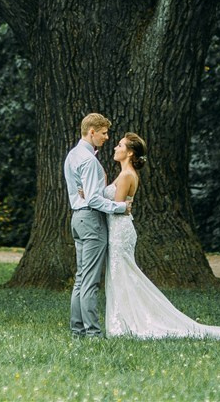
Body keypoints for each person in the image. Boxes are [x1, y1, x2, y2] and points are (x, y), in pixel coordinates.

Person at [101, 132, 220, 341]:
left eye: (120, 145)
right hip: (118, 230)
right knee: (119, 274)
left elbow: (118, 207)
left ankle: (125, 321)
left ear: (129, 152)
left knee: (122, 273)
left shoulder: (126, 175)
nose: (115, 148)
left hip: (119, 232)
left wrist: (97, 200)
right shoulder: (123, 174)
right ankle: (122, 318)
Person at [63, 112, 132, 338]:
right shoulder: (89, 161)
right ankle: (92, 334)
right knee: (90, 281)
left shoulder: (72, 155)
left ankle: (77, 331)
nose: (107, 137)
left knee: (81, 279)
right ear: (91, 132)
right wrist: (120, 207)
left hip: (77, 218)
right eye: (103, 133)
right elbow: (93, 199)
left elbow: (86, 193)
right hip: (91, 220)